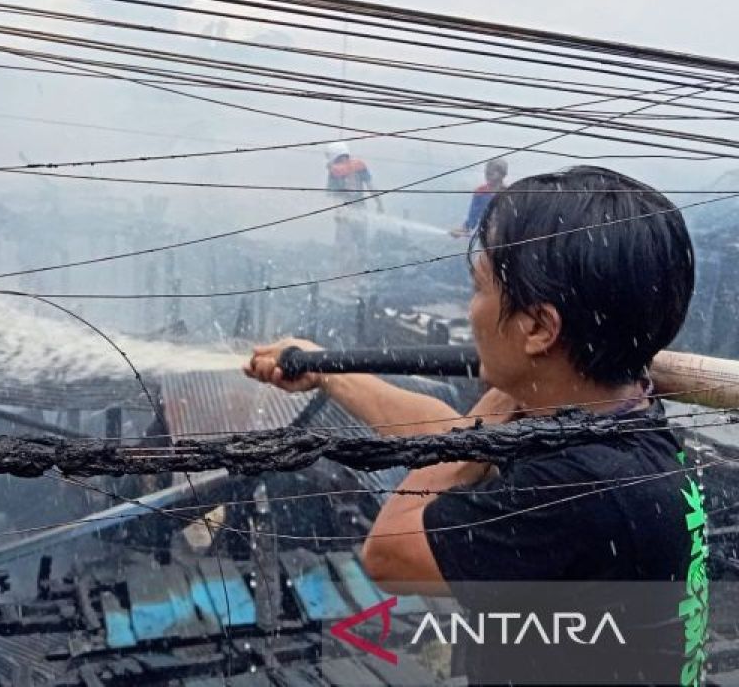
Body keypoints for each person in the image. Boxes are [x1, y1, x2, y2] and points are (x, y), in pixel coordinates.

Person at [246, 166, 702, 686]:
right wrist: (328, 370)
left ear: (538, 328)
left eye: (478, 287)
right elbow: (455, 439)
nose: (470, 311)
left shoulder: (587, 488)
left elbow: (392, 551)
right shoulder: (619, 420)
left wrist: (500, 400)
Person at [325, 142, 383, 257]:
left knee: (343, 245)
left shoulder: (334, 171)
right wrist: (379, 204)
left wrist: (338, 212)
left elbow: (333, 195)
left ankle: (345, 271)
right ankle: (363, 267)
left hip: (344, 213)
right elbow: (372, 187)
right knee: (361, 242)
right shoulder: (359, 166)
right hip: (361, 209)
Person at [450, 158, 508, 238]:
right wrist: (460, 231)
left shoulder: (510, 194)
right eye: (487, 170)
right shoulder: (479, 192)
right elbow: (471, 222)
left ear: (503, 174)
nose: (488, 173)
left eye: (493, 171)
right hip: (484, 238)